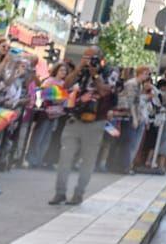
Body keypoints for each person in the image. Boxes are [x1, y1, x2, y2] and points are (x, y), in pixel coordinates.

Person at [51, 46, 116, 206]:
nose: (88, 61)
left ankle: (78, 194)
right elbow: (65, 85)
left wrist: (95, 74)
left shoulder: (109, 72)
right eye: (85, 57)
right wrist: (80, 67)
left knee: (87, 160)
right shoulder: (82, 71)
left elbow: (104, 91)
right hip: (75, 118)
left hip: (95, 122)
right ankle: (60, 193)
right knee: (65, 157)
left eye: (91, 57)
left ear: (100, 58)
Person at [27, 61, 73, 169]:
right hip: (45, 112)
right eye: (61, 70)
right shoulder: (49, 81)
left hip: (57, 113)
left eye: (65, 71)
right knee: (39, 135)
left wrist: (61, 98)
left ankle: (39, 159)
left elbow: (65, 98)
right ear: (56, 70)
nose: (63, 72)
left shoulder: (64, 84)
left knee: (47, 138)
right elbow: (42, 94)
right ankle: (32, 159)